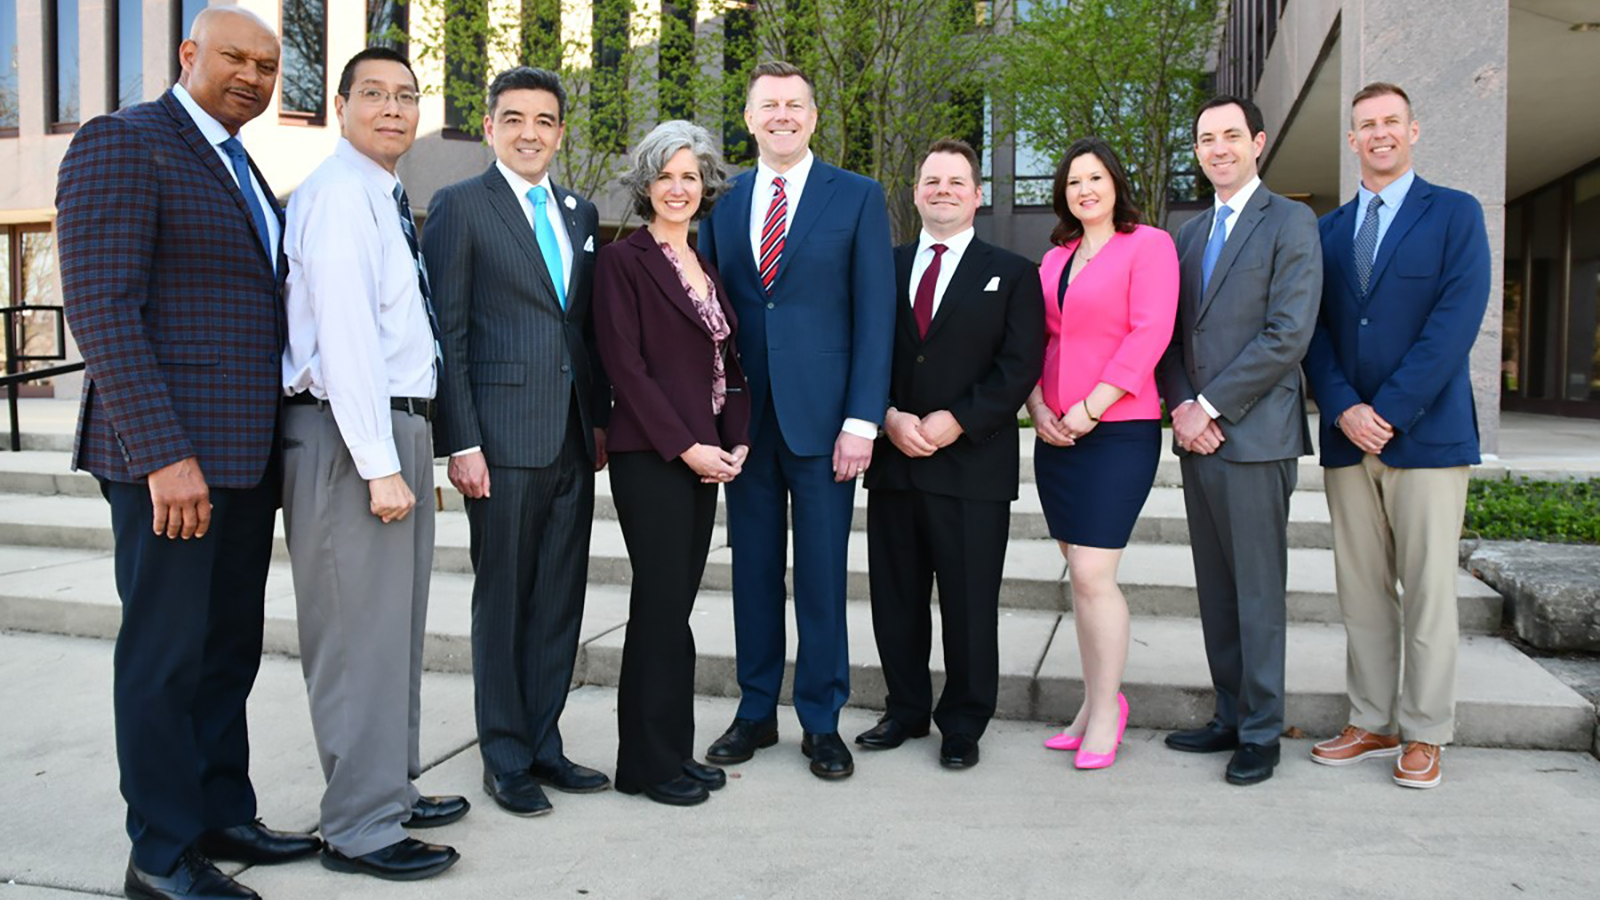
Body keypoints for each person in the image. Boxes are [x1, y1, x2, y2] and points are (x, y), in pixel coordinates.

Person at [55, 9, 321, 900]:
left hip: (243, 461)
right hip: (166, 463)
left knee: (226, 650)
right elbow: (102, 308)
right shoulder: (126, 141)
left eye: (268, 63)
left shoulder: (243, 163)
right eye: (235, 58)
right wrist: (164, 454)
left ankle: (220, 810)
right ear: (188, 55)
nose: (252, 74)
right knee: (165, 656)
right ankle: (161, 854)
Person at [280, 47, 465, 881]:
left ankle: (388, 786)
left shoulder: (382, 197)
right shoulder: (337, 199)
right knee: (358, 637)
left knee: (394, 629)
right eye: (374, 95)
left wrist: (405, 448)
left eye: (406, 96)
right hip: (350, 435)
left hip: (393, 428)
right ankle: (358, 826)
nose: (393, 109)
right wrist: (379, 462)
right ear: (342, 105)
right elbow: (348, 343)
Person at [697, 60, 896, 780]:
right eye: (768, 105)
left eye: (795, 105)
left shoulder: (858, 197)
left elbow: (876, 318)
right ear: (748, 120)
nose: (782, 115)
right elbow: (710, 320)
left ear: (814, 117)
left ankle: (821, 720)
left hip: (825, 426)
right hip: (746, 426)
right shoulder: (722, 200)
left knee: (818, 577)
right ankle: (755, 713)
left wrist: (862, 421)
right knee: (751, 572)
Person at [422, 66, 612, 816]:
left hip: (569, 437)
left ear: (560, 131)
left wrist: (596, 421)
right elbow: (450, 333)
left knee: (560, 598)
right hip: (498, 444)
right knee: (504, 600)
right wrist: (460, 440)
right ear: (492, 124)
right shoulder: (460, 207)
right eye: (514, 118)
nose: (530, 132)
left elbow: (580, 329)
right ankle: (503, 757)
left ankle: (544, 742)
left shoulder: (581, 211)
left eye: (544, 120)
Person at [1303, 83, 1490, 789]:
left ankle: (1426, 731)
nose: (1379, 134)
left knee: (1429, 591)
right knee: (1361, 591)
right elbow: (1314, 331)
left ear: (1414, 130)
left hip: (1426, 436)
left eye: (1390, 122)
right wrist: (1346, 408)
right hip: (1351, 440)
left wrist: (1390, 410)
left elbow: (1455, 322)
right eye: (1365, 126)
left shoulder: (1456, 215)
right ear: (1352, 140)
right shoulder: (1327, 231)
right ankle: (1372, 717)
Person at [856, 140, 1044, 770]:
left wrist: (956, 421)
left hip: (971, 466)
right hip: (895, 461)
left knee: (968, 605)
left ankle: (963, 722)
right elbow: (862, 350)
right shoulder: (883, 265)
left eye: (956, 181)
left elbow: (1020, 366)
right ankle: (905, 709)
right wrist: (884, 415)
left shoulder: (1013, 273)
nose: (943, 190)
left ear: (977, 193)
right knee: (897, 598)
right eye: (931, 180)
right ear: (915, 193)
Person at [1156, 95, 1321, 786]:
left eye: (1231, 136)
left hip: (1255, 436)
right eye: (1205, 139)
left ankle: (1261, 730)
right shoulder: (1186, 234)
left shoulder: (1291, 220)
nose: (1218, 148)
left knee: (1257, 592)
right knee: (1217, 590)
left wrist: (1212, 405)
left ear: (1257, 142)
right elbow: (1166, 335)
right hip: (1199, 438)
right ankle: (1228, 712)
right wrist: (1181, 407)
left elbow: (1288, 332)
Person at [593, 121, 752, 807]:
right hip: (654, 456)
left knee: (676, 608)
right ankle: (645, 765)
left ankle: (673, 752)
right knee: (658, 607)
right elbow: (624, 367)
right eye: (666, 175)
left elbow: (728, 367)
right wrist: (687, 447)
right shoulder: (623, 261)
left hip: (704, 456)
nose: (679, 187)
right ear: (646, 185)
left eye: (690, 175)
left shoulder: (705, 266)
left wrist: (736, 440)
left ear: (705, 184)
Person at [1027, 138, 1179, 771]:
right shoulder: (1053, 258)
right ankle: (1094, 705)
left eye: (1095, 178)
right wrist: (1037, 407)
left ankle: (1108, 709)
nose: (1084, 190)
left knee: (1093, 575)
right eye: (1073, 182)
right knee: (1078, 575)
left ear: (1116, 183)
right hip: (1055, 433)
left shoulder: (1149, 245)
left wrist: (1091, 408)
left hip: (1118, 429)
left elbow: (1152, 332)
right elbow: (1033, 339)